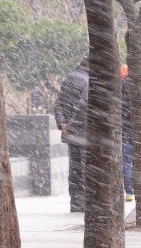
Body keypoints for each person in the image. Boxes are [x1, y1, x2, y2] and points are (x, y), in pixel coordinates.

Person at [54, 52, 89, 212]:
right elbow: (84, 106)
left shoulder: (69, 78)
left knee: (75, 168)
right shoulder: (89, 80)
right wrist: (72, 125)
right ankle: (84, 203)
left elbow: (59, 102)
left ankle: (76, 203)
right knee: (86, 168)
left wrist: (63, 123)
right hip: (84, 131)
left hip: (71, 133)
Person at [120, 64, 135, 202]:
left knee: (126, 162)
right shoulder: (139, 87)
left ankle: (129, 191)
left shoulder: (118, 91)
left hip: (125, 132)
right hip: (139, 133)